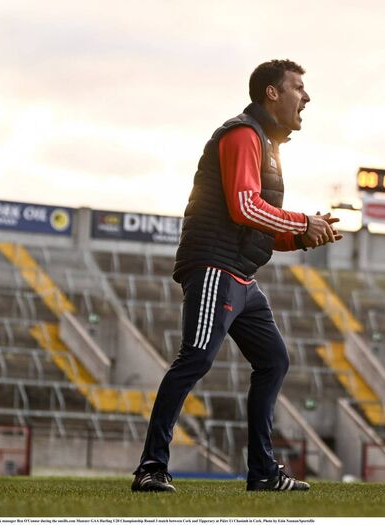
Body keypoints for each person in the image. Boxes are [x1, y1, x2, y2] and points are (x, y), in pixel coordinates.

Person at [131, 59, 340, 493]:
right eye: (298, 87)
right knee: (196, 358)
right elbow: (244, 206)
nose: (306, 97)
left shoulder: (267, 146)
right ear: (271, 93)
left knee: (274, 360)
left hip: (241, 275)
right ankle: (152, 467)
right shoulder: (244, 134)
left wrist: (302, 238)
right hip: (214, 266)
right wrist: (302, 222)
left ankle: (263, 472)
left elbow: (257, 226)